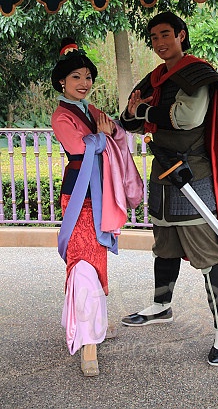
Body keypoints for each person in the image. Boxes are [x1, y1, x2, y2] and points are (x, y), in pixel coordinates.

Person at [119, 12, 218, 366]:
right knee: (164, 246)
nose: (159, 42)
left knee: (209, 257)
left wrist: (145, 111)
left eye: (165, 34)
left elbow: (187, 118)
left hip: (192, 174)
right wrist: (140, 112)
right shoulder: (155, 77)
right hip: (162, 173)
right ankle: (161, 305)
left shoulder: (196, 73)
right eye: (153, 37)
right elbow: (129, 119)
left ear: (181, 35)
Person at [51, 38, 143, 376]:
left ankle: (95, 325)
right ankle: (87, 341)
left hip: (99, 191)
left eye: (88, 77)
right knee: (83, 260)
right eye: (76, 77)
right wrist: (105, 136)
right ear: (62, 81)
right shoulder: (62, 114)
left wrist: (115, 128)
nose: (84, 83)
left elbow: (116, 132)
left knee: (96, 256)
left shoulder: (90, 110)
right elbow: (79, 148)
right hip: (80, 194)